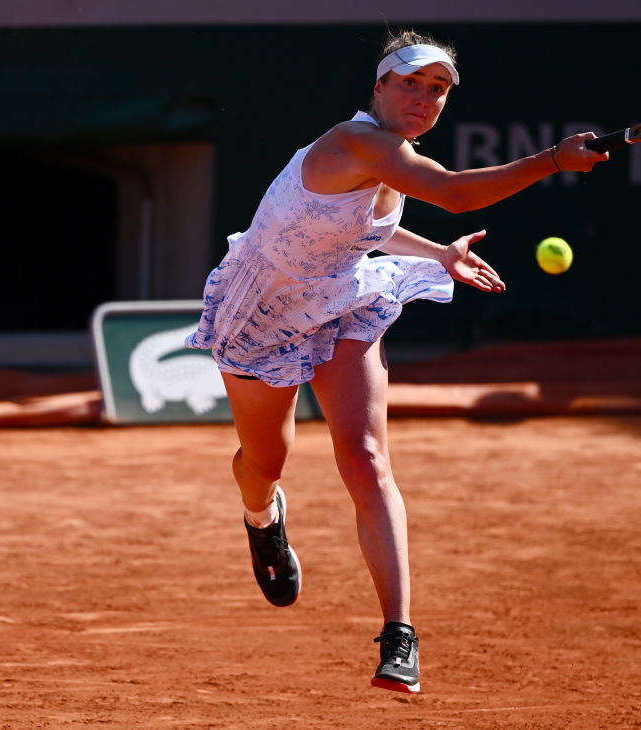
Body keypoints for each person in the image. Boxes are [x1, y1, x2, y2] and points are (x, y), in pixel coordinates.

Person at [185, 29, 607, 694]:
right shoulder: (358, 142)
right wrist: (552, 158)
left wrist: (436, 254)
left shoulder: (390, 157)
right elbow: (457, 193)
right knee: (264, 461)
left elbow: (368, 229)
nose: (424, 97)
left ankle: (398, 635)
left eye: (437, 89)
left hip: (344, 299)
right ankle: (262, 518)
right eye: (411, 82)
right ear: (379, 87)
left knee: (366, 457)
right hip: (263, 311)